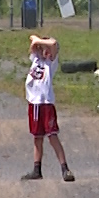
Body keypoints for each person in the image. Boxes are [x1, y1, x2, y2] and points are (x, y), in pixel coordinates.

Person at [22, 34, 74, 182]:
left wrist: (42, 42)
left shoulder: (51, 62)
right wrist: (38, 44)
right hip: (34, 103)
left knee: (52, 135)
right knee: (37, 137)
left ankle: (65, 168)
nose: (44, 50)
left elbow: (53, 43)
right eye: (42, 49)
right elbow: (32, 43)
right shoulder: (36, 59)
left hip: (45, 103)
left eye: (46, 49)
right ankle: (36, 169)